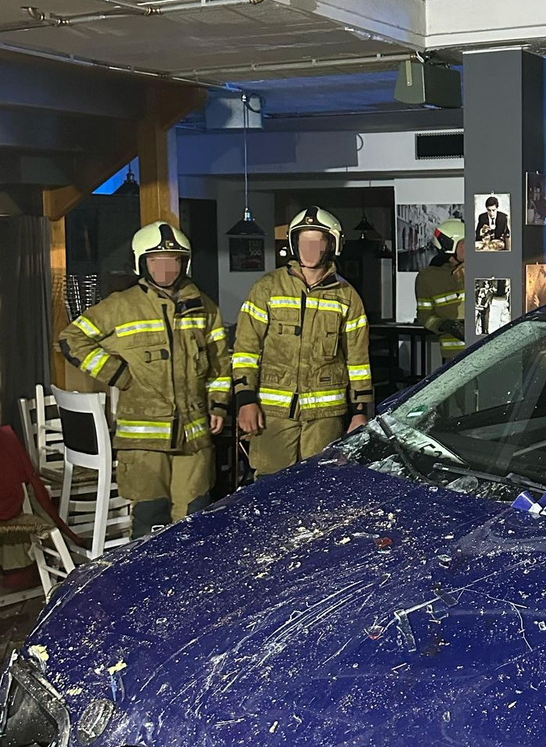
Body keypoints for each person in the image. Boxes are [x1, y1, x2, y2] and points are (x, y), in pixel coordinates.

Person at [58, 221, 229, 535]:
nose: (165, 268)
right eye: (156, 260)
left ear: (184, 263)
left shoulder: (203, 306)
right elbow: (71, 340)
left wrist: (218, 406)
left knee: (196, 517)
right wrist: (118, 374)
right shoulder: (121, 306)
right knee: (151, 520)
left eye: (173, 259)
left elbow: (219, 362)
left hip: (194, 438)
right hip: (143, 441)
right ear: (141, 263)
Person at [233, 207, 372, 477]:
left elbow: (358, 361)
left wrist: (360, 412)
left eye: (317, 242)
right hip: (272, 414)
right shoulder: (267, 288)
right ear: (294, 245)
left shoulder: (347, 296)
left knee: (319, 487)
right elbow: (245, 350)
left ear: (332, 245)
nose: (310, 249)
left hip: (326, 416)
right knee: (269, 490)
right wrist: (245, 399)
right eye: (303, 242)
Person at [416, 218, 467, 362]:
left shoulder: (475, 270)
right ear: (449, 246)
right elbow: (424, 316)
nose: (469, 247)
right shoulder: (427, 278)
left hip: (485, 350)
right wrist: (445, 325)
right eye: (463, 243)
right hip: (453, 357)